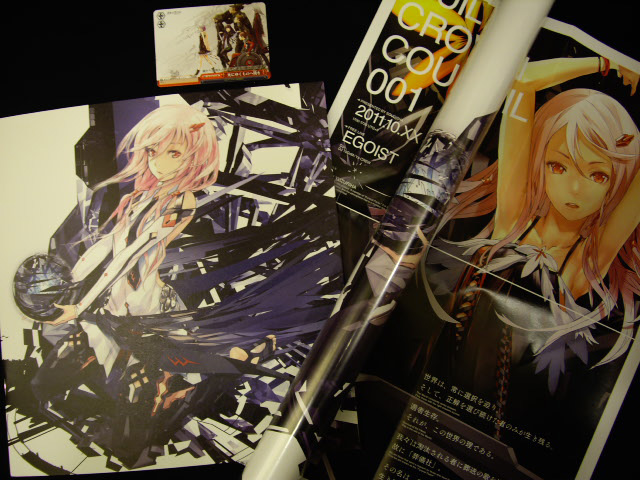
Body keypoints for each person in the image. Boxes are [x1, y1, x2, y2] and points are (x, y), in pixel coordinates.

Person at [421, 56, 639, 441]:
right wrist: (602, 63)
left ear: (617, 182)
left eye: (598, 174)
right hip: (434, 382)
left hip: (504, 419)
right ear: (540, 162)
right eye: (559, 166)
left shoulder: (589, 257)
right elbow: (523, 82)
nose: (575, 189)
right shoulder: (515, 218)